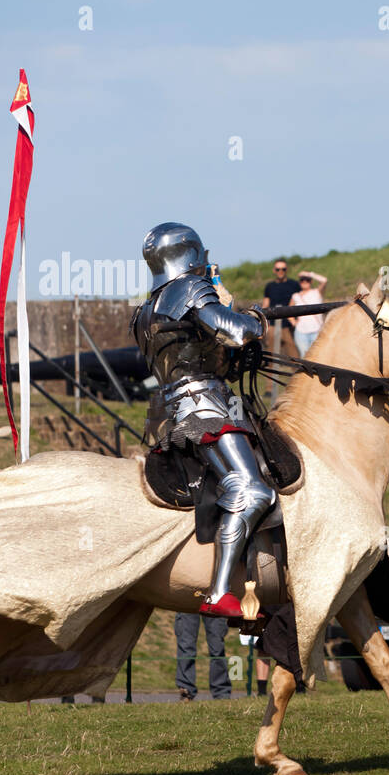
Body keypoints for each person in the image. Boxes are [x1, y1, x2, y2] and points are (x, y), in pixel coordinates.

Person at [132, 222, 276, 619]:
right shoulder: (189, 290)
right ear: (189, 253)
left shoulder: (147, 308)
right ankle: (219, 592)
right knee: (253, 491)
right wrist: (255, 320)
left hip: (167, 410)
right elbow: (232, 331)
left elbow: (197, 353)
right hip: (205, 406)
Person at [174, 613, 231, 700]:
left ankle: (221, 693)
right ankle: (186, 691)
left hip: (213, 601)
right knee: (186, 647)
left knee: (217, 648)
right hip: (186, 602)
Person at [263, 259, 300, 359]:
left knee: (294, 356)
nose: (280, 271)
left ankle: (298, 374)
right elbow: (265, 304)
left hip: (288, 324)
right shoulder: (270, 286)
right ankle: (272, 375)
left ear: (286, 270)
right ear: (274, 270)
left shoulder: (294, 284)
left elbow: (300, 301)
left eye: (283, 269)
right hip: (273, 325)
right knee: (271, 356)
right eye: (278, 269)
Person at [289, 272, 328, 357]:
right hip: (301, 332)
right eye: (302, 280)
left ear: (311, 281)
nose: (305, 282)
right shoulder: (296, 296)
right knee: (305, 356)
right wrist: (293, 322)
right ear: (300, 282)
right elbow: (289, 310)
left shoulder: (317, 292)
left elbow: (324, 280)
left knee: (317, 356)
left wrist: (309, 274)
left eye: (307, 280)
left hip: (317, 330)